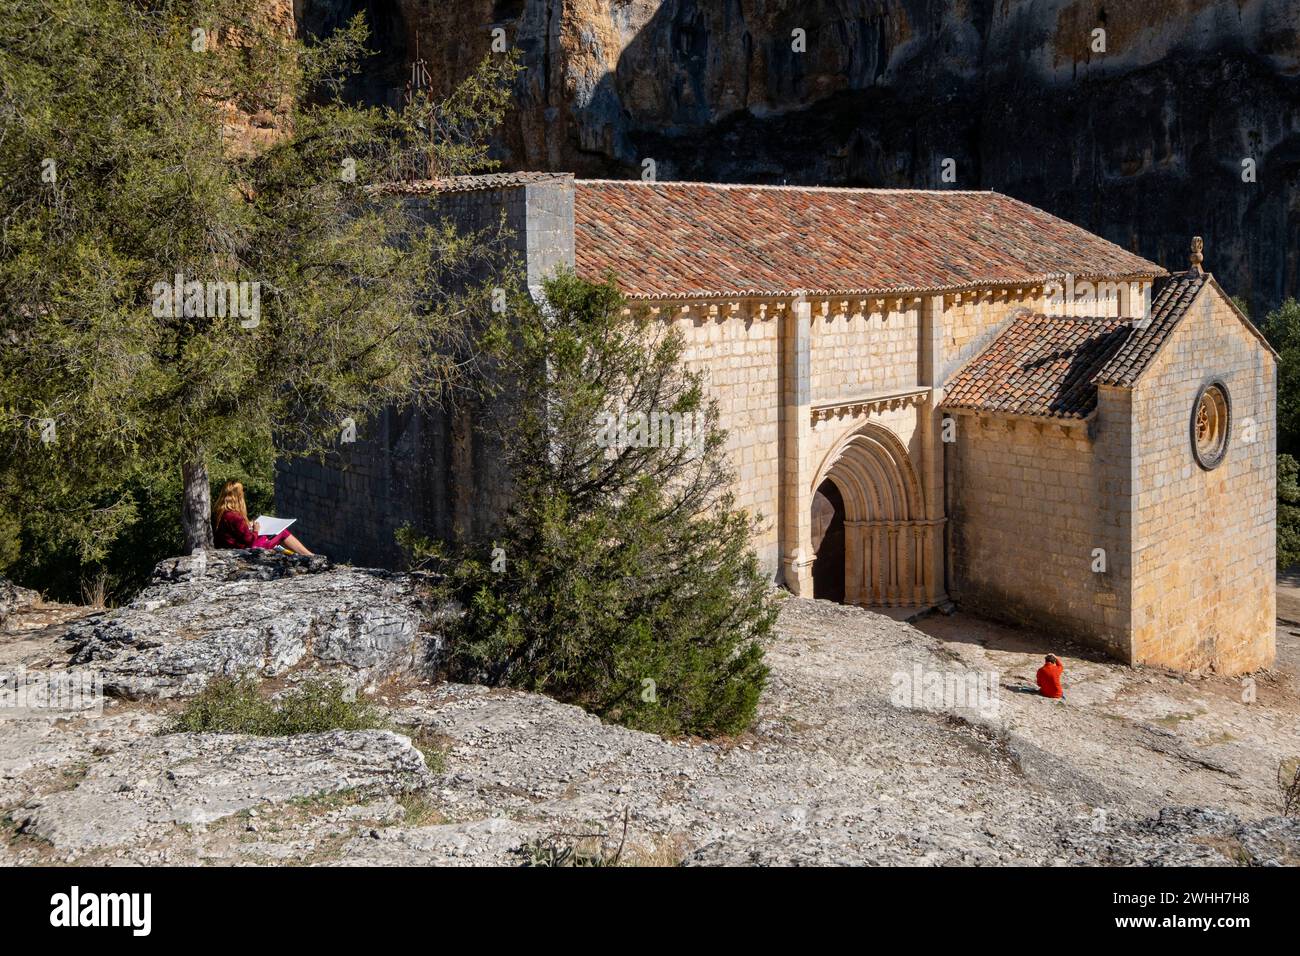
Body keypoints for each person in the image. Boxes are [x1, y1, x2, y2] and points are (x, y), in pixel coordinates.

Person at [211, 480, 313, 555]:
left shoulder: (220, 512)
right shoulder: (235, 516)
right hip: (245, 549)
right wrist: (256, 530)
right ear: (238, 496)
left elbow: (234, 532)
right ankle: (309, 556)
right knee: (282, 533)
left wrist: (247, 525)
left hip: (229, 547)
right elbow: (249, 540)